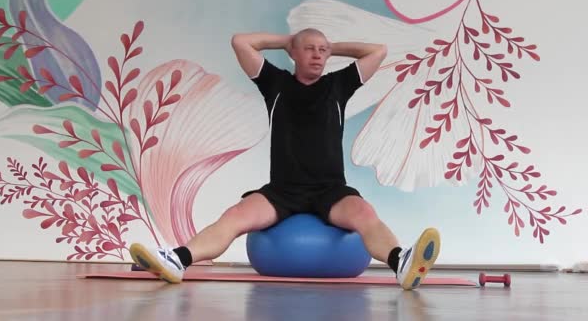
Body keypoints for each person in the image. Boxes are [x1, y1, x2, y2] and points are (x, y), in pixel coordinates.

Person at [129, 28, 441, 290]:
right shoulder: (275, 84)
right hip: (282, 191)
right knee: (234, 217)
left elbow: (377, 51)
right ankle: (177, 259)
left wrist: (332, 46)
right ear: (293, 53)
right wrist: (288, 40)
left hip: (330, 190)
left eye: (323, 50)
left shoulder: (338, 85)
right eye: (309, 49)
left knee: (365, 213)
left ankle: (400, 261)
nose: (318, 55)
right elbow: (241, 42)